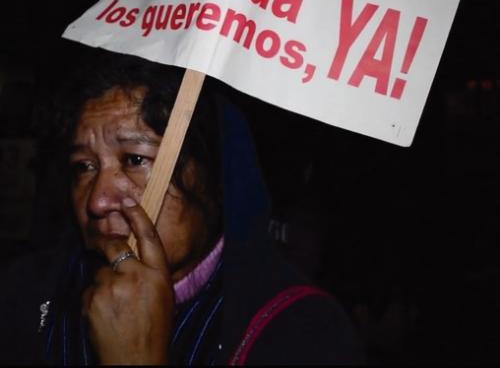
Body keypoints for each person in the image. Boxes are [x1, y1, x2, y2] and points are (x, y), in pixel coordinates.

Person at [0, 47, 364, 364]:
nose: (97, 200)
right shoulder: (26, 296)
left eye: (135, 160)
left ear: (216, 174)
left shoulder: (300, 330)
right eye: (84, 166)